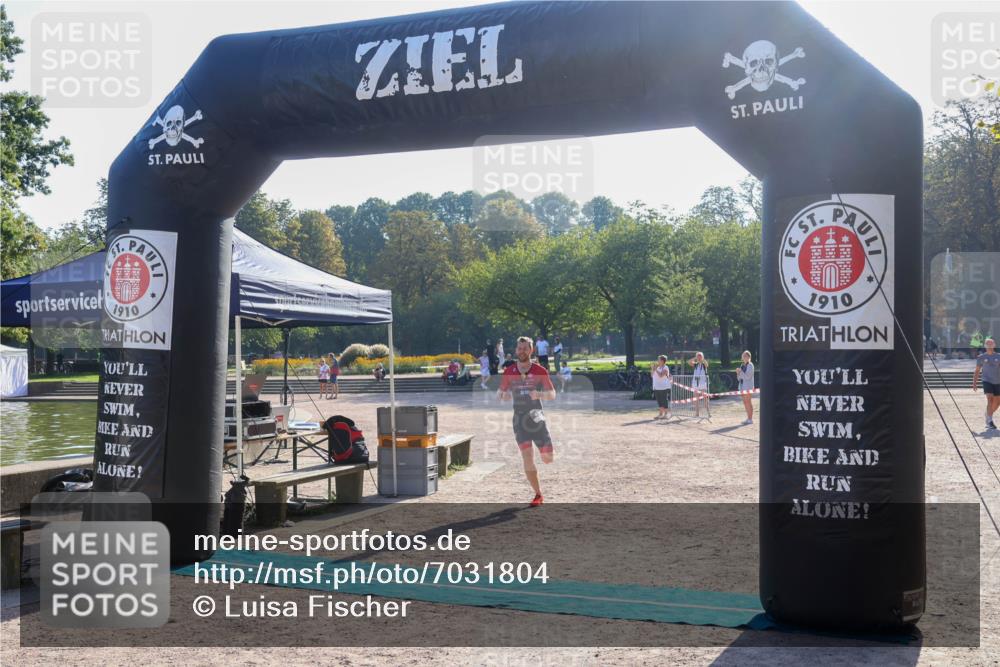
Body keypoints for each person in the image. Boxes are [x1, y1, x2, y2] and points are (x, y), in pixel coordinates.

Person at [498, 336, 557, 506]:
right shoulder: (509, 372)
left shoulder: (540, 371)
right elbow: (500, 393)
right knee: (527, 457)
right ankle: (538, 494)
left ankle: (544, 449)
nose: (522, 351)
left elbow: (552, 394)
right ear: (516, 350)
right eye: (519, 348)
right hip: (519, 418)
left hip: (536, 416)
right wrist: (504, 395)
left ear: (531, 350)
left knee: (548, 458)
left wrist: (539, 394)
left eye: (525, 348)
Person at [973, 336, 1000, 430]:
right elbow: (977, 370)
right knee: (990, 399)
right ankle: (989, 421)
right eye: (987, 343)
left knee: (997, 402)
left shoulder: (999, 356)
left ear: (994, 345)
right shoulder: (981, 357)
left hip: (998, 381)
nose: (989, 345)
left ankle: (988, 414)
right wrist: (974, 383)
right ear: (985, 345)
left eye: (991, 343)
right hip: (987, 380)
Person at [688, 352, 709, 417]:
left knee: (705, 398)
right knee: (696, 399)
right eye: (698, 356)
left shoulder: (703, 364)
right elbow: (689, 362)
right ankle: (697, 413)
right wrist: (695, 358)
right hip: (695, 384)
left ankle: (708, 412)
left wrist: (702, 359)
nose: (699, 358)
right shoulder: (696, 364)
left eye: (700, 356)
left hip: (703, 384)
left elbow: (707, 364)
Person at [651, 355, 672, 420]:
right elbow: (652, 375)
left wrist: (655, 369)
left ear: (662, 361)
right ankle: (660, 414)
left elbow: (661, 375)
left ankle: (666, 414)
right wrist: (652, 369)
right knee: (659, 401)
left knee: (664, 400)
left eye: (659, 360)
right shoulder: (657, 367)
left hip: (663, 387)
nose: (657, 361)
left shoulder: (666, 367)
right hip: (656, 386)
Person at [737, 350, 755, 425]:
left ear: (749, 357)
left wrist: (740, 372)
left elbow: (748, 377)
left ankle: (750, 419)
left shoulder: (750, 365)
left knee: (748, 402)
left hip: (748, 387)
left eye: (746, 356)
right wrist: (738, 373)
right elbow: (739, 378)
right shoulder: (742, 365)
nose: (744, 357)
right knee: (745, 402)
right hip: (742, 387)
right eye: (743, 356)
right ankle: (748, 418)